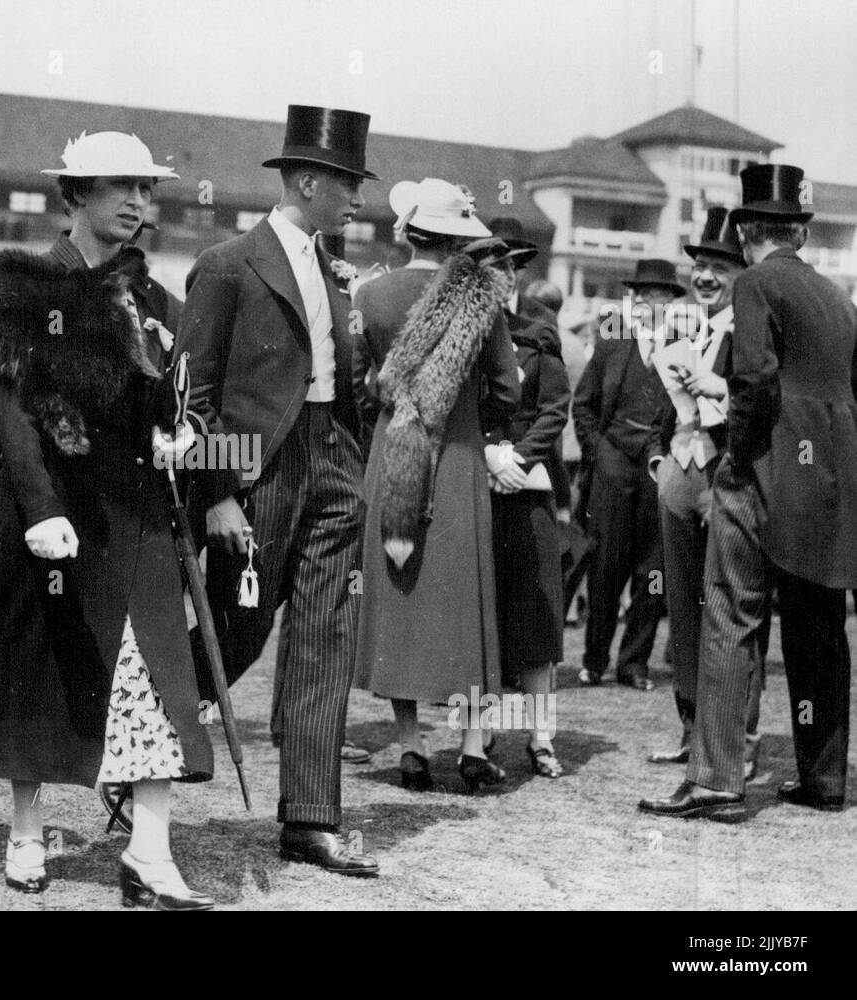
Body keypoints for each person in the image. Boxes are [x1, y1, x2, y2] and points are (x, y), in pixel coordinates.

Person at [0, 131, 216, 909]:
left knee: (157, 674)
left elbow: (176, 398)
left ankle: (150, 853)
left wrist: (180, 431)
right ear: (74, 196)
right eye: (116, 186)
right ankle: (27, 830)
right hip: (52, 513)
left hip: (134, 517)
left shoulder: (153, 299)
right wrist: (39, 509)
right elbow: (12, 412)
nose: (135, 202)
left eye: (144, 188)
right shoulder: (23, 286)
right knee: (39, 674)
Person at [173, 105, 378, 874]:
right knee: (237, 632)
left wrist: (350, 460)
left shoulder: (332, 271)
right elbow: (195, 394)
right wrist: (219, 491)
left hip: (333, 462)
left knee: (325, 639)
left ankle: (311, 819)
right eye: (349, 182)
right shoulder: (228, 264)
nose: (358, 197)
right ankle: (138, 749)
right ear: (306, 181)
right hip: (258, 474)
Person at [641, 164, 857, 821]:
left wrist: (735, 456)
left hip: (765, 468)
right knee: (819, 625)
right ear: (797, 229)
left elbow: (755, 379)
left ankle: (717, 780)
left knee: (732, 613)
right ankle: (824, 777)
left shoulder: (757, 282)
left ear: (744, 230)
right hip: (832, 475)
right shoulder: (835, 294)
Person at [352, 178, 520, 794]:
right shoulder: (482, 299)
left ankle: (411, 744)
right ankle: (473, 747)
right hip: (456, 463)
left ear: (407, 233)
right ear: (458, 242)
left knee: (400, 598)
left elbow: (357, 383)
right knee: (464, 602)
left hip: (393, 455)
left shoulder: (370, 295)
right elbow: (508, 390)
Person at [644, 207, 765, 778]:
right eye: (701, 266)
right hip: (681, 472)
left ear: (741, 272)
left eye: (719, 266)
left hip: (725, 474)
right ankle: (692, 727)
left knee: (731, 607)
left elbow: (757, 407)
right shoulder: (686, 328)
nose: (707, 277)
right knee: (684, 607)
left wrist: (715, 397)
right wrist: (661, 462)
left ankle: (739, 732)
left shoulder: (751, 330)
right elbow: (657, 406)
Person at [480, 243, 571, 780]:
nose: (504, 279)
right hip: (475, 485)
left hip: (528, 487)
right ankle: (482, 731)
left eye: (511, 269)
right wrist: (489, 455)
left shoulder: (536, 336)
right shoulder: (460, 339)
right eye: (494, 269)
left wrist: (518, 458)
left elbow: (555, 409)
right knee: (481, 614)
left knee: (535, 616)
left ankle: (540, 738)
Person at [572, 258, 682, 690]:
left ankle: (634, 663)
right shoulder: (612, 343)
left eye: (660, 295)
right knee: (605, 566)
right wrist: (597, 452)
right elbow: (583, 405)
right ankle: (594, 659)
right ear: (633, 300)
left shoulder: (681, 344)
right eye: (643, 295)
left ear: (671, 302)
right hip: (613, 463)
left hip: (661, 468)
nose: (649, 303)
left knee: (653, 570)